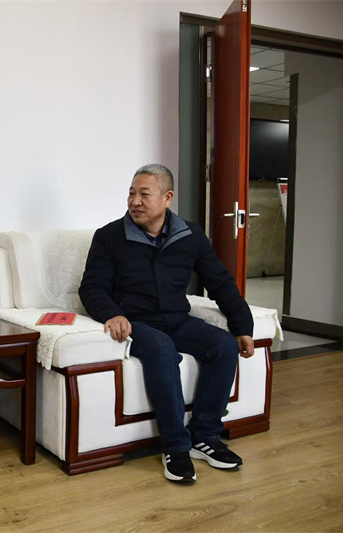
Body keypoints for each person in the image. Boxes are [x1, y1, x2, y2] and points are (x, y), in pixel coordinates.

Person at [78, 163, 255, 483]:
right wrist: (112, 314)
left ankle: (205, 436)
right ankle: (175, 446)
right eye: (131, 193)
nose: (135, 201)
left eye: (144, 194)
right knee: (161, 348)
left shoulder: (191, 235)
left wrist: (243, 326)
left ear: (167, 197)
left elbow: (220, 283)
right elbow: (92, 288)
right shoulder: (109, 236)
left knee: (222, 345)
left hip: (177, 319)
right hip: (137, 323)